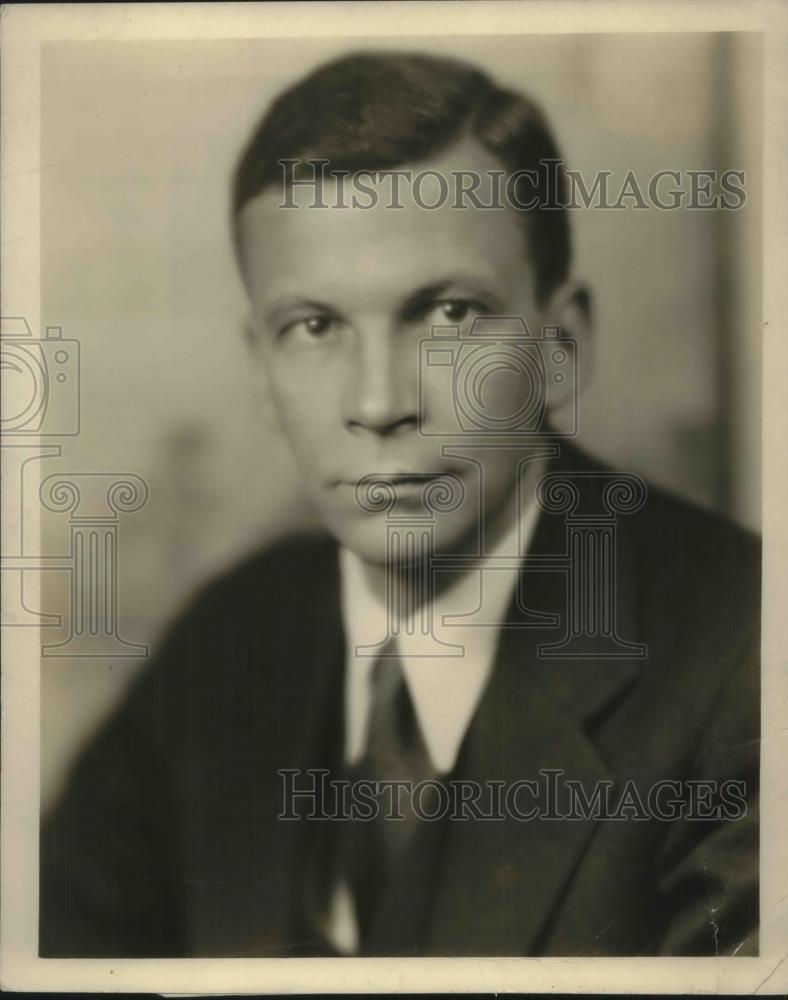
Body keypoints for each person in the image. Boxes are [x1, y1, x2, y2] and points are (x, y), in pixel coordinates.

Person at [40, 51, 759, 958]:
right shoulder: (227, 644)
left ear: (562, 345)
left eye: (449, 314)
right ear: (261, 374)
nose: (380, 403)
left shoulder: (749, 664)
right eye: (314, 327)